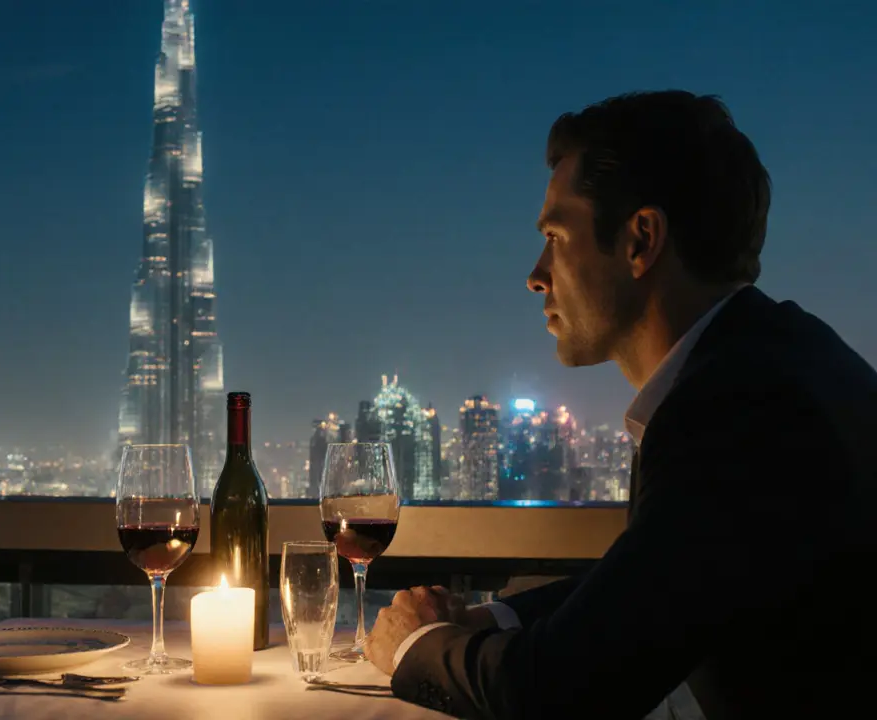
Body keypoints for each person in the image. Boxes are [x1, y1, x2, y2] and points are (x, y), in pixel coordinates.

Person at [366, 90, 877, 718]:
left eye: (556, 234)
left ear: (641, 239)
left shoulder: (739, 410)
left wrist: (413, 645)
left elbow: (559, 692)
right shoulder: (775, 357)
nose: (535, 273)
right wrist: (489, 617)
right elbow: (652, 584)